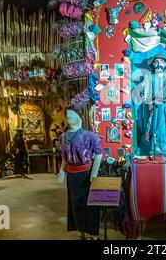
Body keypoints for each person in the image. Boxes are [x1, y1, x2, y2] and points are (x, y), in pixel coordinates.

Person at [58, 103, 103, 240]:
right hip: (72, 175)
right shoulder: (63, 137)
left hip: (87, 174)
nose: (69, 118)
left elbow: (99, 154)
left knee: (90, 204)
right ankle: (80, 230)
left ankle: (92, 232)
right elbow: (65, 158)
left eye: (72, 116)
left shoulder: (90, 136)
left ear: (80, 117)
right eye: (68, 116)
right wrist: (62, 172)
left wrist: (94, 173)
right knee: (75, 204)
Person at [138, 54, 166, 156]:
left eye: (161, 62)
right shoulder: (150, 77)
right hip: (156, 107)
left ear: (165, 64)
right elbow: (147, 93)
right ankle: (156, 146)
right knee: (156, 126)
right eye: (157, 62)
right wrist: (153, 101)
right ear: (153, 64)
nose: (159, 64)